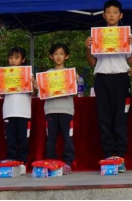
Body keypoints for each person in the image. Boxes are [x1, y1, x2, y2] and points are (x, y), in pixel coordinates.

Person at [85, 0, 132, 172]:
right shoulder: (97, 35)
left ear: (121, 15)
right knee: (104, 119)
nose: (112, 15)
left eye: (115, 12)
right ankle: (108, 156)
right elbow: (92, 63)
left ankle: (120, 157)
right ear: (103, 15)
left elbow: (131, 61)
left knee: (120, 119)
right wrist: (88, 47)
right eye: (108, 12)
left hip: (121, 79)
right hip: (102, 79)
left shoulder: (126, 35)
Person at [0, 47, 33, 165]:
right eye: (11, 57)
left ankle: (22, 161)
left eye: (16, 58)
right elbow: (1, 94)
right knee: (10, 139)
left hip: (23, 112)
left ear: (23, 60)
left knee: (23, 139)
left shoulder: (28, 74)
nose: (13, 60)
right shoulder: (4, 74)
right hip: (9, 111)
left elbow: (34, 94)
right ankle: (12, 161)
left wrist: (34, 84)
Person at [44, 43, 75, 174]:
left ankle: (67, 163)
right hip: (50, 109)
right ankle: (51, 162)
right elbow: (41, 93)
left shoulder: (71, 74)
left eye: (61, 54)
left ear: (66, 56)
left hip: (66, 110)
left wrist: (75, 81)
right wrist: (38, 85)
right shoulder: (47, 74)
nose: (58, 56)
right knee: (50, 139)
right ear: (51, 56)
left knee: (68, 138)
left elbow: (74, 92)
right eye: (56, 54)